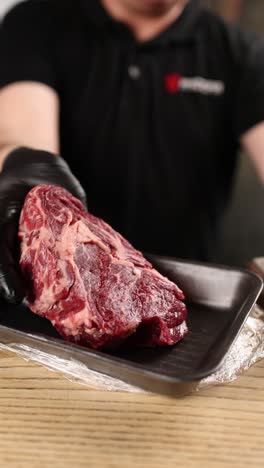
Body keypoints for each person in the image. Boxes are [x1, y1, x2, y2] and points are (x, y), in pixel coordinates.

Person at [0, 0, 263, 304]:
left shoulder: (239, 52)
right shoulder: (36, 23)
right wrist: (24, 161)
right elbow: (21, 133)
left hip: (189, 302)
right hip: (63, 291)